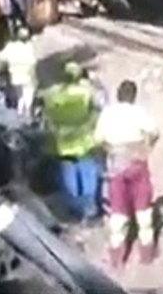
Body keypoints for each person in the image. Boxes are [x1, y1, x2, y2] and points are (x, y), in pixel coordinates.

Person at [93, 79, 160, 268]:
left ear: (118, 95)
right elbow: (155, 132)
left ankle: (117, 257)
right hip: (137, 163)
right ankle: (147, 255)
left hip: (116, 164)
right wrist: (147, 147)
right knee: (144, 211)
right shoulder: (139, 112)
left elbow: (98, 139)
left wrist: (108, 152)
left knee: (118, 212)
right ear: (134, 96)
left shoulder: (108, 113)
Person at [40, 60, 107, 223]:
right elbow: (102, 104)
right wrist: (97, 83)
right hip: (84, 142)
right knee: (88, 177)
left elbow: (46, 115)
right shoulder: (86, 92)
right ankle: (90, 210)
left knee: (69, 178)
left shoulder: (53, 95)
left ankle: (73, 209)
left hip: (63, 145)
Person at [1, 25, 38, 118]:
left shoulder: (10, 46)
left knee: (20, 96)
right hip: (28, 77)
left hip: (15, 77)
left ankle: (20, 111)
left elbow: (2, 57)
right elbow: (34, 60)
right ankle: (27, 112)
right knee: (28, 94)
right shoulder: (30, 47)